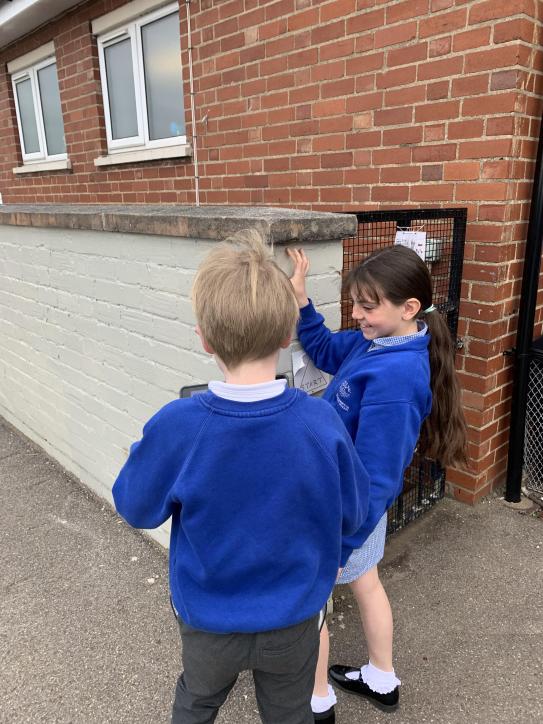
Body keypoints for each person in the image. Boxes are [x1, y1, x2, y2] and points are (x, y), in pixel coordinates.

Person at [113, 229, 371, 724]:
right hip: (293, 616)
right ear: (286, 334)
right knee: (290, 712)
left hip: (209, 619)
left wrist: (144, 455)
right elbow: (354, 511)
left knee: (197, 701)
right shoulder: (320, 423)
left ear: (204, 339)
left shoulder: (178, 425)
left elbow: (136, 507)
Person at [287, 244, 468, 722]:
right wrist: (302, 300)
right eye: (354, 304)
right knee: (366, 583)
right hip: (354, 509)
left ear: (409, 308)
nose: (356, 314)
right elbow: (325, 349)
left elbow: (379, 477)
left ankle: (316, 702)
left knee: (311, 603)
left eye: (367, 306)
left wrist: (342, 541)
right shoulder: (375, 342)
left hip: (347, 512)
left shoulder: (397, 378)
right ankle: (382, 680)